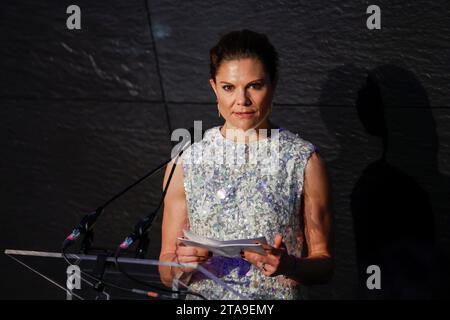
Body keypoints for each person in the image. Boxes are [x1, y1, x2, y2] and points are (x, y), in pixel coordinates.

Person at [159, 29, 333, 299]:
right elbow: (166, 272)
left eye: (255, 85)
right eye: (229, 87)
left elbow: (324, 265)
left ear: (273, 85)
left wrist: (289, 265)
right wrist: (181, 266)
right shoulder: (186, 162)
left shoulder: (303, 160)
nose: (242, 101)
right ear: (214, 87)